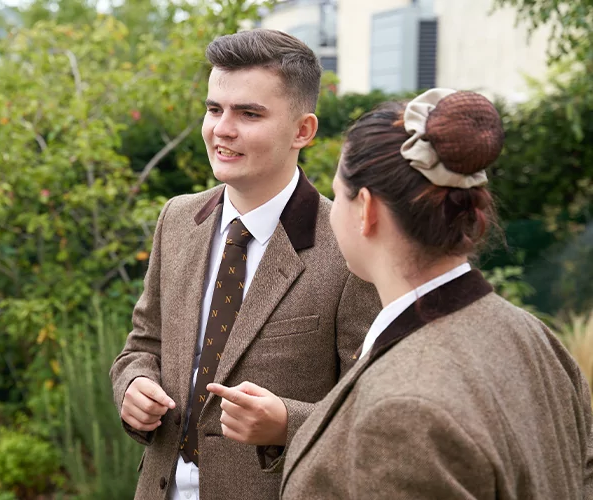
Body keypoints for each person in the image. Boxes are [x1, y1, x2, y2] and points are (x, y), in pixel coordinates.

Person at [280, 88, 593, 498]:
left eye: (338, 193)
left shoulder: (403, 412)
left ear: (367, 211)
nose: (331, 207)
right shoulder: (533, 336)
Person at [110, 29, 380, 500]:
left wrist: (286, 424)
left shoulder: (349, 246)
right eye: (215, 109)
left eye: (249, 113)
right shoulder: (177, 219)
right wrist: (133, 384)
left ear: (304, 130)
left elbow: (375, 411)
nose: (222, 128)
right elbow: (142, 345)